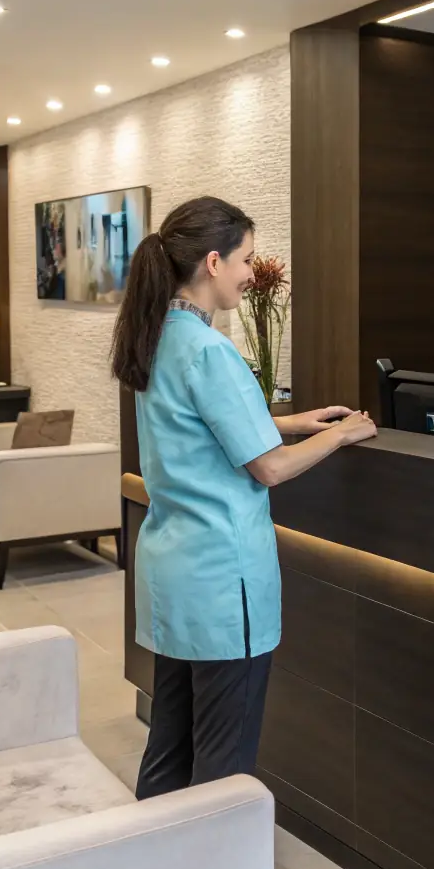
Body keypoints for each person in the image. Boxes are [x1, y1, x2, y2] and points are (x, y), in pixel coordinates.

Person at [111, 195, 377, 800]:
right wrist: (342, 432)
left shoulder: (159, 336)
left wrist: (293, 419)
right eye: (245, 260)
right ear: (212, 261)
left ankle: (153, 863)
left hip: (175, 571)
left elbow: (200, 427)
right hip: (221, 580)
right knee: (223, 765)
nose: (250, 274)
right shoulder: (209, 349)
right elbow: (270, 469)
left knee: (171, 742)